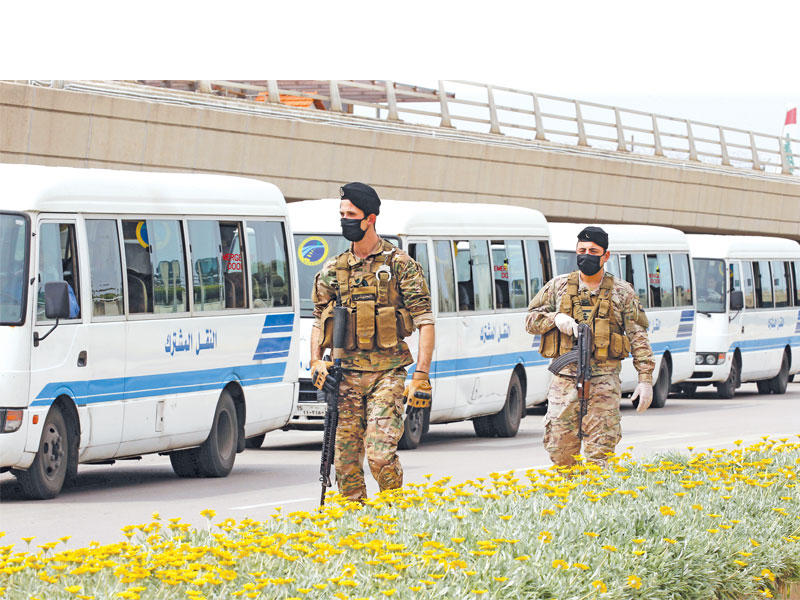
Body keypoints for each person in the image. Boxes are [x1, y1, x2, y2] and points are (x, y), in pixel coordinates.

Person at [309, 182, 435, 501]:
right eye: (342, 214)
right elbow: (319, 320)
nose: (345, 220)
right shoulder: (333, 270)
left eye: (351, 214)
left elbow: (425, 321)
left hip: (388, 373)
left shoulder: (400, 265)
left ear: (370, 219)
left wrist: (421, 375)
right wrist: (315, 361)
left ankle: (394, 514)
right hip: (345, 377)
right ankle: (358, 531)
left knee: (379, 456)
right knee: (346, 466)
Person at [526, 226, 655, 467]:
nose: (586, 255)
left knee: (601, 454)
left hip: (603, 382)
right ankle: (567, 499)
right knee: (560, 449)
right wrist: (555, 318)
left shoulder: (622, 292)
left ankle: (596, 498)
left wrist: (645, 380)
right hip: (564, 381)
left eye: (593, 251)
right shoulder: (558, 287)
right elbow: (531, 320)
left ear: (605, 256)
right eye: (581, 250)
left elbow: (638, 336)